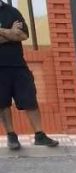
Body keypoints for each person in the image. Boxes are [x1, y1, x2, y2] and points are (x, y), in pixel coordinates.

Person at [0, 1, 59, 150]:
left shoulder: (12, 11)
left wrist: (4, 32)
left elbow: (23, 35)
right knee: (2, 103)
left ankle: (40, 135)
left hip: (18, 65)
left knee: (29, 99)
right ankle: (11, 136)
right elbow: (15, 35)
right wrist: (10, 32)